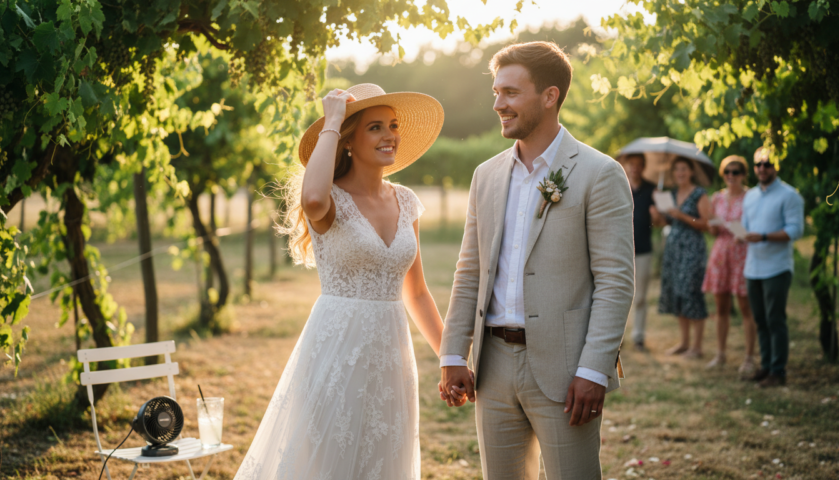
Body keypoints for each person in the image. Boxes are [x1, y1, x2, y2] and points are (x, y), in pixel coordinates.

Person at [438, 41, 634, 479]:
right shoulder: (485, 176)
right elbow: (470, 270)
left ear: (550, 96)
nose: (497, 104)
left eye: (510, 93)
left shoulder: (599, 174)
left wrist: (593, 370)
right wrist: (453, 353)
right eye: (495, 92)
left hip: (567, 370)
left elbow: (615, 283)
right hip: (492, 367)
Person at [234, 84, 446, 479]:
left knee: (383, 461)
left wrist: (450, 359)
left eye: (394, 125)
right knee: (328, 461)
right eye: (375, 127)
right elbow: (311, 200)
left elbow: (415, 292)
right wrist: (332, 119)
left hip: (392, 357)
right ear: (348, 141)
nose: (390, 136)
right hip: (336, 351)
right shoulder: (328, 200)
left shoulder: (407, 201)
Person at [742, 147, 805, 388]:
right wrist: (743, 236)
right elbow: (748, 228)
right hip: (753, 267)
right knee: (760, 319)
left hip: (777, 267)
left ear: (776, 166)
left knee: (775, 319)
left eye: (767, 164)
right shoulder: (751, 196)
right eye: (758, 164)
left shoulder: (790, 196)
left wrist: (764, 236)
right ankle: (766, 365)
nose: (762, 169)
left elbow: (795, 230)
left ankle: (778, 371)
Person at [650, 157, 712, 359]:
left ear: (691, 171)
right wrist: (656, 211)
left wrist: (681, 215)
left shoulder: (699, 194)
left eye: (684, 169)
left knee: (691, 292)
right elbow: (662, 223)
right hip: (673, 249)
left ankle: (697, 346)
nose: (680, 173)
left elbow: (706, 224)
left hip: (692, 249)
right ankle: (684, 343)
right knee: (677, 293)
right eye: (676, 170)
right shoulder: (672, 194)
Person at [702, 155, 756, 375]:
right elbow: (713, 231)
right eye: (727, 172)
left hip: (742, 253)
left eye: (736, 172)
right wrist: (712, 224)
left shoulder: (751, 197)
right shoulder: (717, 198)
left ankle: (749, 357)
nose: (731, 176)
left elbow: (754, 224)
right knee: (721, 307)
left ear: (743, 175)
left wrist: (743, 233)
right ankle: (720, 353)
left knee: (745, 307)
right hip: (721, 254)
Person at [620, 153, 656, 351]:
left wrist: (656, 216)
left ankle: (639, 336)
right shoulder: (619, 186)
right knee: (619, 294)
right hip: (620, 249)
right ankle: (618, 336)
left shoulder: (652, 189)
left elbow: (659, 223)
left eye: (638, 165)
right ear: (627, 166)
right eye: (631, 164)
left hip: (643, 249)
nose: (635, 168)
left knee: (640, 296)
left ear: (643, 167)